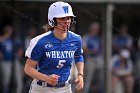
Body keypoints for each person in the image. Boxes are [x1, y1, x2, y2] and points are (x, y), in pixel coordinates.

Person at [24, 1, 84, 93]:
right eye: (62, 18)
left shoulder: (76, 39)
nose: (66, 22)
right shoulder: (40, 41)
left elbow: (78, 56)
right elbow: (28, 68)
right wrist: (46, 78)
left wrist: (80, 74)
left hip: (65, 88)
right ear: (53, 20)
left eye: (68, 18)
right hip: (42, 88)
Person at [82, 22, 103, 93]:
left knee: (102, 76)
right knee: (88, 78)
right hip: (90, 58)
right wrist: (91, 51)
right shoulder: (86, 37)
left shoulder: (99, 38)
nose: (96, 30)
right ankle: (86, 91)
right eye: (94, 29)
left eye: (97, 29)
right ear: (91, 29)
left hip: (99, 59)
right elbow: (83, 49)